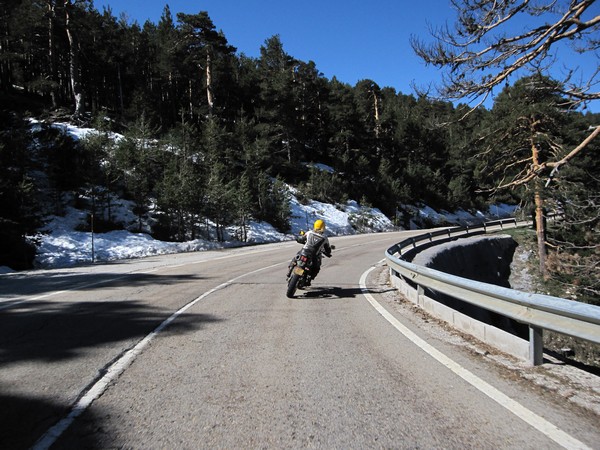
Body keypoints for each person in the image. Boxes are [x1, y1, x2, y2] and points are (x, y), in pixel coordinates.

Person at [288, 219, 332, 285]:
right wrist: (328, 253)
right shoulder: (324, 238)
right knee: (316, 268)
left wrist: (298, 239)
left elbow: (301, 239)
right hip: (313, 255)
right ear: (323, 227)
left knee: (296, 258)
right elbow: (328, 249)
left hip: (304, 251)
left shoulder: (309, 232)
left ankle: (290, 270)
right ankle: (309, 279)